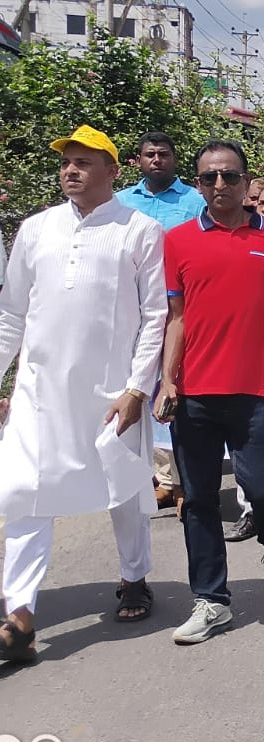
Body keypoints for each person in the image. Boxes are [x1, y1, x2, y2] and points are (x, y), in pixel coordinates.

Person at [0, 126, 166, 665]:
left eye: (83, 162)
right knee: (24, 491)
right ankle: (20, 614)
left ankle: (134, 577)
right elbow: (12, 314)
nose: (70, 170)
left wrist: (137, 387)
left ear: (113, 171)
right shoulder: (36, 228)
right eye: (66, 162)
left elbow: (155, 316)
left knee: (123, 490)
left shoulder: (139, 229)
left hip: (109, 392)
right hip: (39, 392)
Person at [157, 139, 264, 645]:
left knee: (262, 487)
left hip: (255, 389)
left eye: (229, 176)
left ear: (246, 181)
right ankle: (211, 601)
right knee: (198, 499)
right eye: (209, 177)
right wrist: (168, 379)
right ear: (198, 184)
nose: (219, 184)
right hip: (195, 391)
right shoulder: (178, 240)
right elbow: (177, 318)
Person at [115, 131, 206, 514]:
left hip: (179, 311)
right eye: (149, 154)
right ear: (137, 160)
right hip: (132, 310)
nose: (156, 160)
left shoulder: (195, 201)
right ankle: (161, 479)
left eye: (163, 154)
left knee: (176, 392)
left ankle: (186, 483)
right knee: (139, 389)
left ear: (174, 159)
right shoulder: (121, 202)